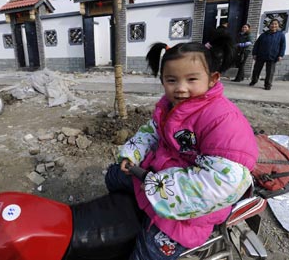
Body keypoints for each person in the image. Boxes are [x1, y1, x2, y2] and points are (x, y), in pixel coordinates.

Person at [105, 37, 258, 260]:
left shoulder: (222, 120)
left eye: (191, 79)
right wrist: (133, 153)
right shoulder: (170, 106)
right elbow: (154, 130)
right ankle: (132, 214)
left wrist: (162, 189)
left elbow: (225, 181)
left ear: (212, 79)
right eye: (172, 80)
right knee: (113, 175)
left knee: (147, 252)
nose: (181, 89)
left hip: (188, 207)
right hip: (155, 179)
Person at [249, 19, 286, 90]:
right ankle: (254, 81)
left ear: (278, 25)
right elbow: (257, 44)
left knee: (270, 72)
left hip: (273, 55)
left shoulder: (281, 35)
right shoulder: (263, 35)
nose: (273, 25)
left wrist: (281, 55)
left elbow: (283, 46)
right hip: (261, 55)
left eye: (275, 24)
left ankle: (268, 85)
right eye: (272, 24)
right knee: (256, 70)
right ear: (269, 25)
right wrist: (254, 53)